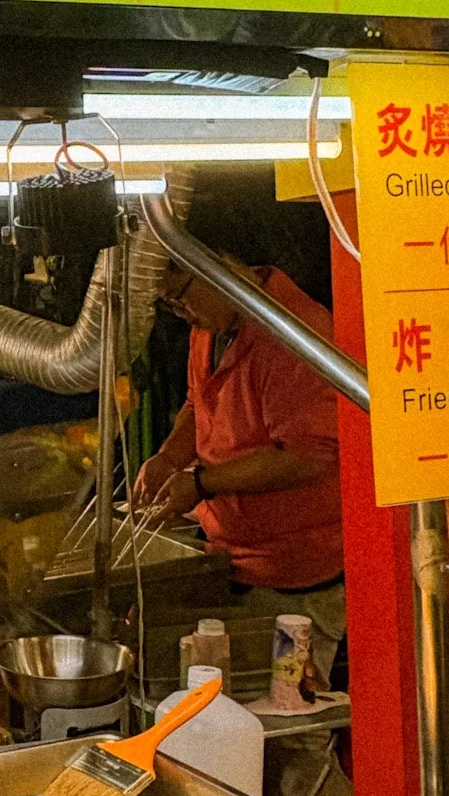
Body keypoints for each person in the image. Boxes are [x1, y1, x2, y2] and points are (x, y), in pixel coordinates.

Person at [135, 253, 345, 685]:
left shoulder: (294, 332)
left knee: (293, 717)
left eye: (179, 298)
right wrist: (169, 459)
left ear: (222, 266)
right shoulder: (211, 328)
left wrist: (201, 482)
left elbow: (308, 455)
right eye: (170, 307)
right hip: (229, 557)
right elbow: (198, 403)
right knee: (237, 707)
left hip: (294, 576)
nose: (182, 314)